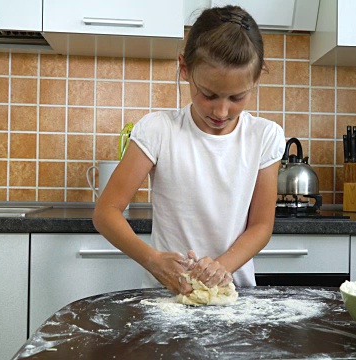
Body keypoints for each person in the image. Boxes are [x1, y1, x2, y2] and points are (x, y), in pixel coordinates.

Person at [92, 5, 285, 296]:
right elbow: (106, 212)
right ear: (185, 68)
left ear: (255, 80)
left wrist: (221, 267)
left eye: (237, 97)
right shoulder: (158, 130)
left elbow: (261, 226)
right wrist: (153, 260)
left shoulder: (265, 136)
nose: (221, 111)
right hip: (168, 295)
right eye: (208, 94)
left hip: (235, 294)